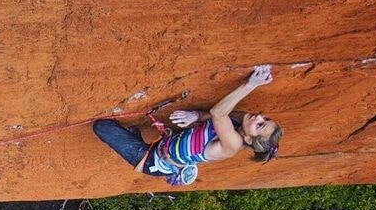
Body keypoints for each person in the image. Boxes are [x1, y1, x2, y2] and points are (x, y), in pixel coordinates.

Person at [92, 64, 282, 185]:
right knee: (129, 130)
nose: (259, 118)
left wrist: (251, 85)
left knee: (102, 127)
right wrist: (196, 116)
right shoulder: (241, 120)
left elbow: (218, 113)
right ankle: (134, 134)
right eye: (264, 119)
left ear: (248, 139)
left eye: (260, 126)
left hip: (154, 161)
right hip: (165, 144)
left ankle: (134, 139)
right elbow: (215, 115)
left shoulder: (232, 144)